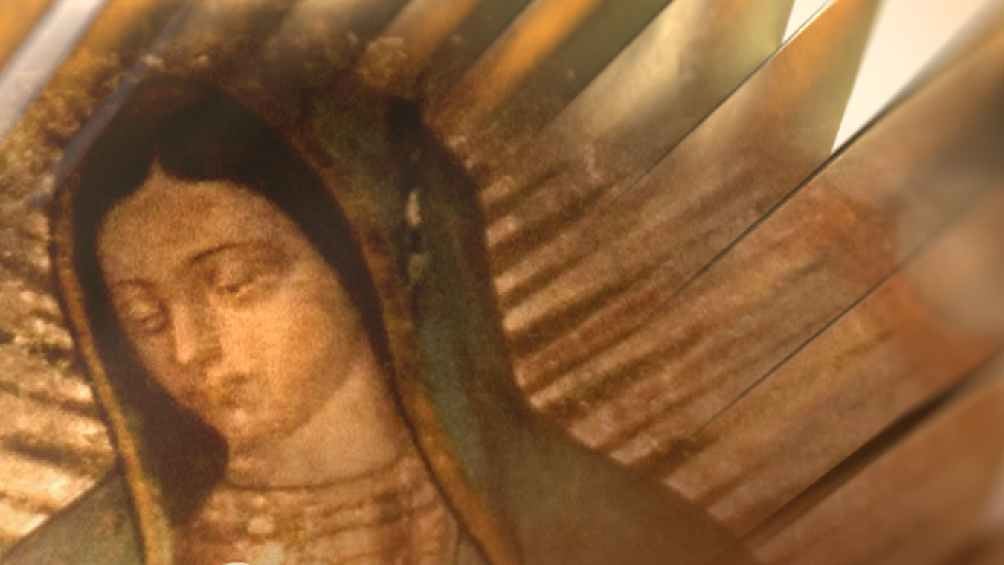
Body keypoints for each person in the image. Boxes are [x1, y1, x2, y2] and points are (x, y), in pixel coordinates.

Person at [5, 77, 756, 565]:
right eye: (142, 316)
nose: (189, 348)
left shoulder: (610, 538)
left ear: (370, 266)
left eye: (236, 283)